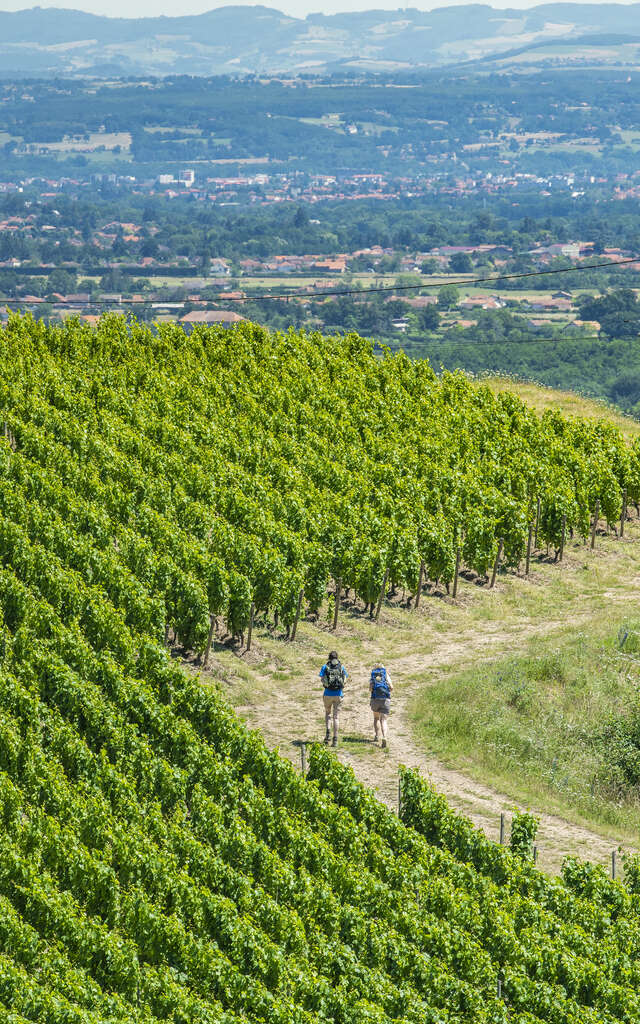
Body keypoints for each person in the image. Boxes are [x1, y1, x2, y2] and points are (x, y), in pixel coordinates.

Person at [320, 650, 347, 747]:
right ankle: (335, 739)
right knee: (336, 717)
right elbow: (345, 679)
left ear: (329, 658)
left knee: (328, 713)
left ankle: (328, 733)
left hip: (327, 693)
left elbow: (322, 679)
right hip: (338, 694)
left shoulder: (325, 666)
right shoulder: (341, 666)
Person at [369, 663, 393, 748]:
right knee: (384, 720)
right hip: (385, 699)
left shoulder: (373, 675)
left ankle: (376, 736)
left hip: (375, 699)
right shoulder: (385, 674)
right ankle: (384, 737)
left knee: (376, 718)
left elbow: (370, 688)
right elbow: (391, 687)